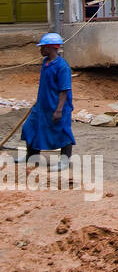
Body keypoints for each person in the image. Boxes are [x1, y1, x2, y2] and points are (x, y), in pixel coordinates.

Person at [21, 33, 75, 171]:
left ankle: (65, 160)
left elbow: (64, 90)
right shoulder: (45, 63)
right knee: (30, 127)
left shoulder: (62, 67)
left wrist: (59, 110)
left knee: (62, 132)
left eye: (42, 47)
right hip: (42, 105)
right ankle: (32, 156)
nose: (40, 50)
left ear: (50, 48)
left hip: (57, 105)